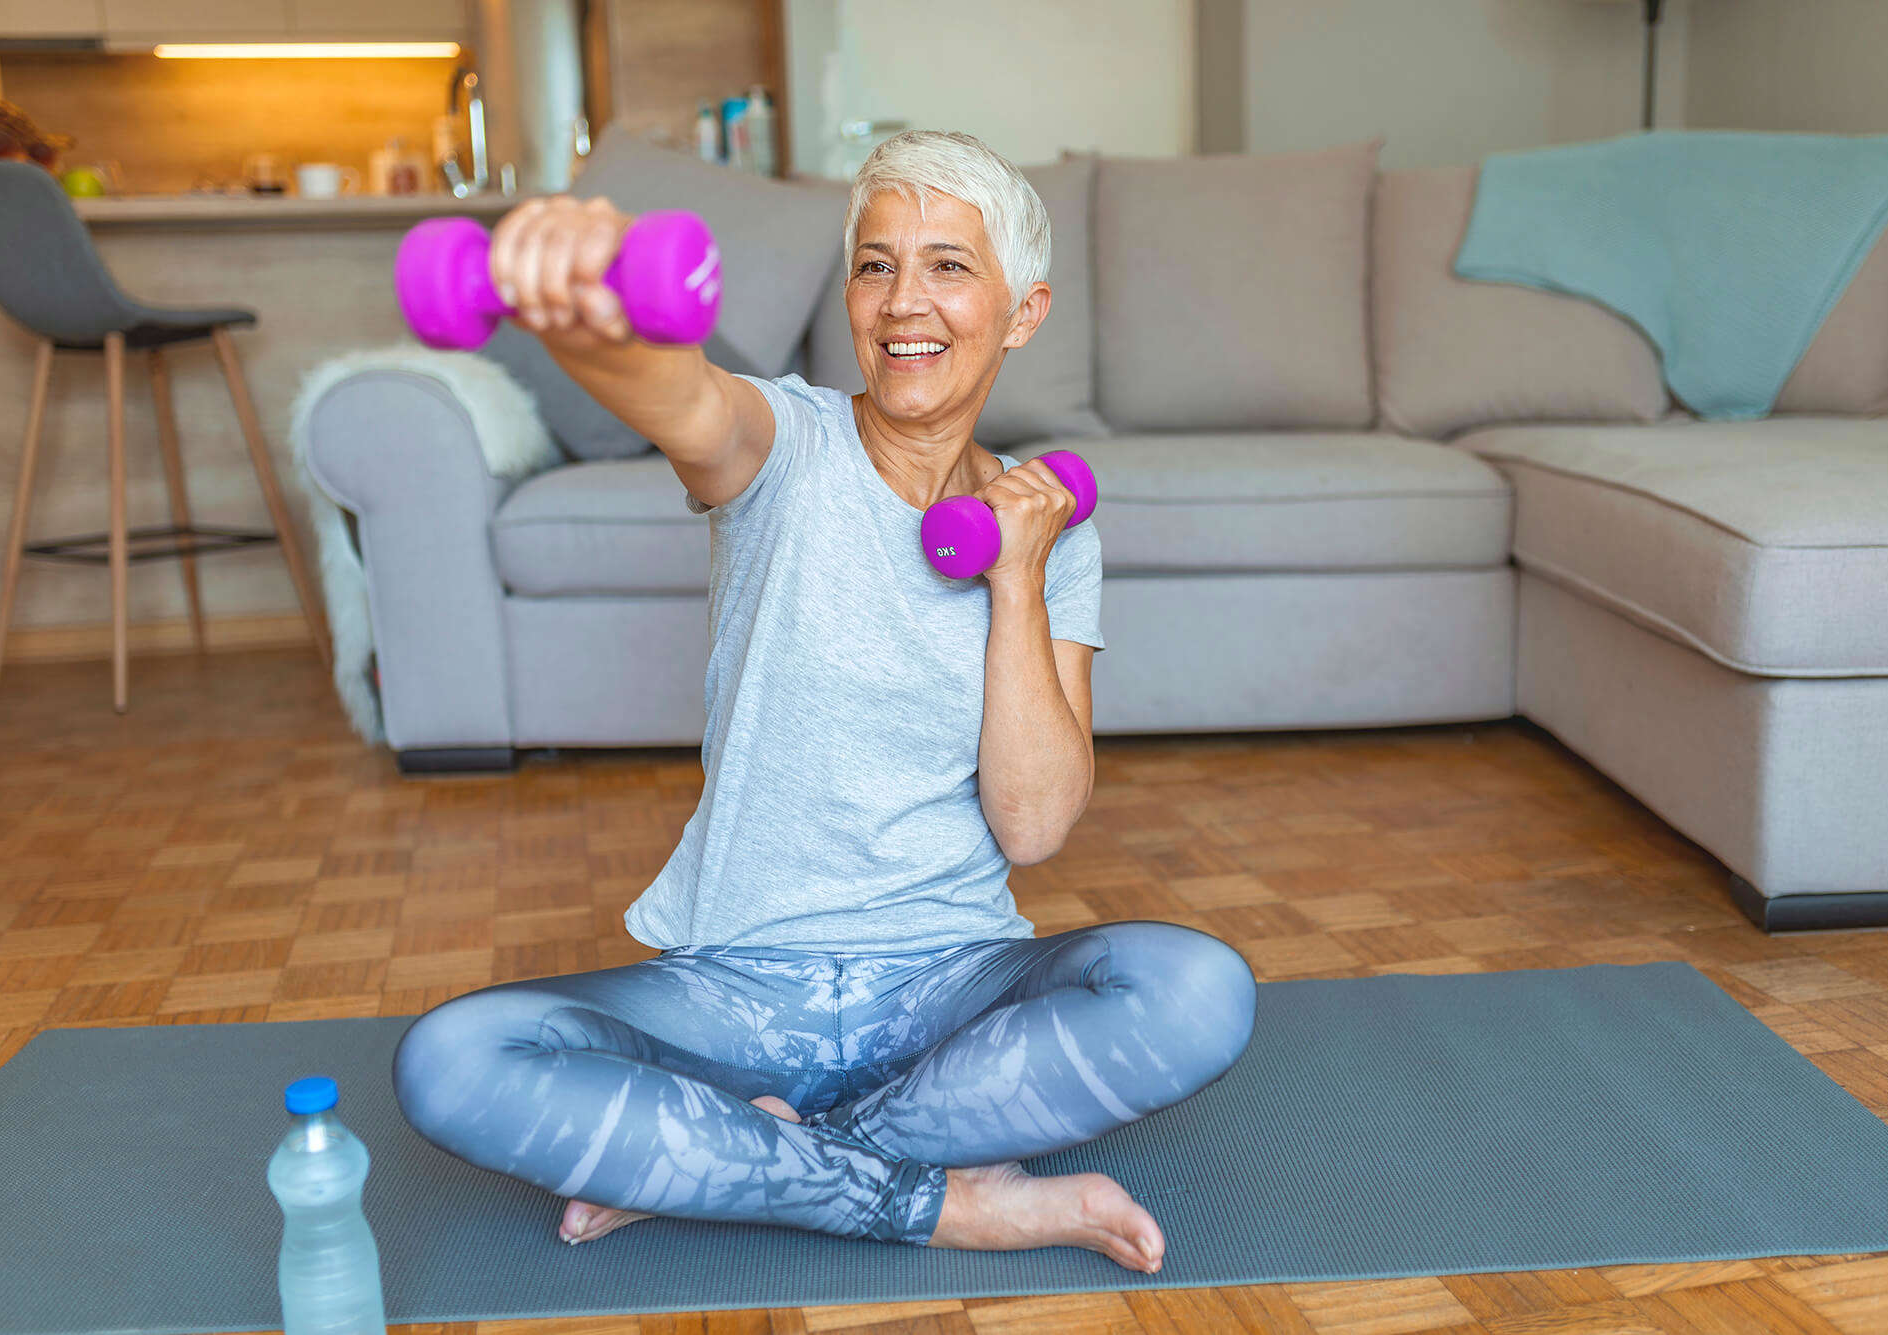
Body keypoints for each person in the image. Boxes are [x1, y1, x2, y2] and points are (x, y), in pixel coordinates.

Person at [391, 130, 1256, 1273]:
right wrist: (575, 309)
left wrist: (1016, 577)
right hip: (732, 991)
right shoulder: (782, 444)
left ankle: (733, 1165)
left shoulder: (1048, 528)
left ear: (1023, 309)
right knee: (450, 1059)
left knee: (1197, 989)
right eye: (874, 264)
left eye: (948, 265)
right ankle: (935, 1201)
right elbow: (678, 389)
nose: (905, 301)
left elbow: (1034, 826)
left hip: (948, 993)